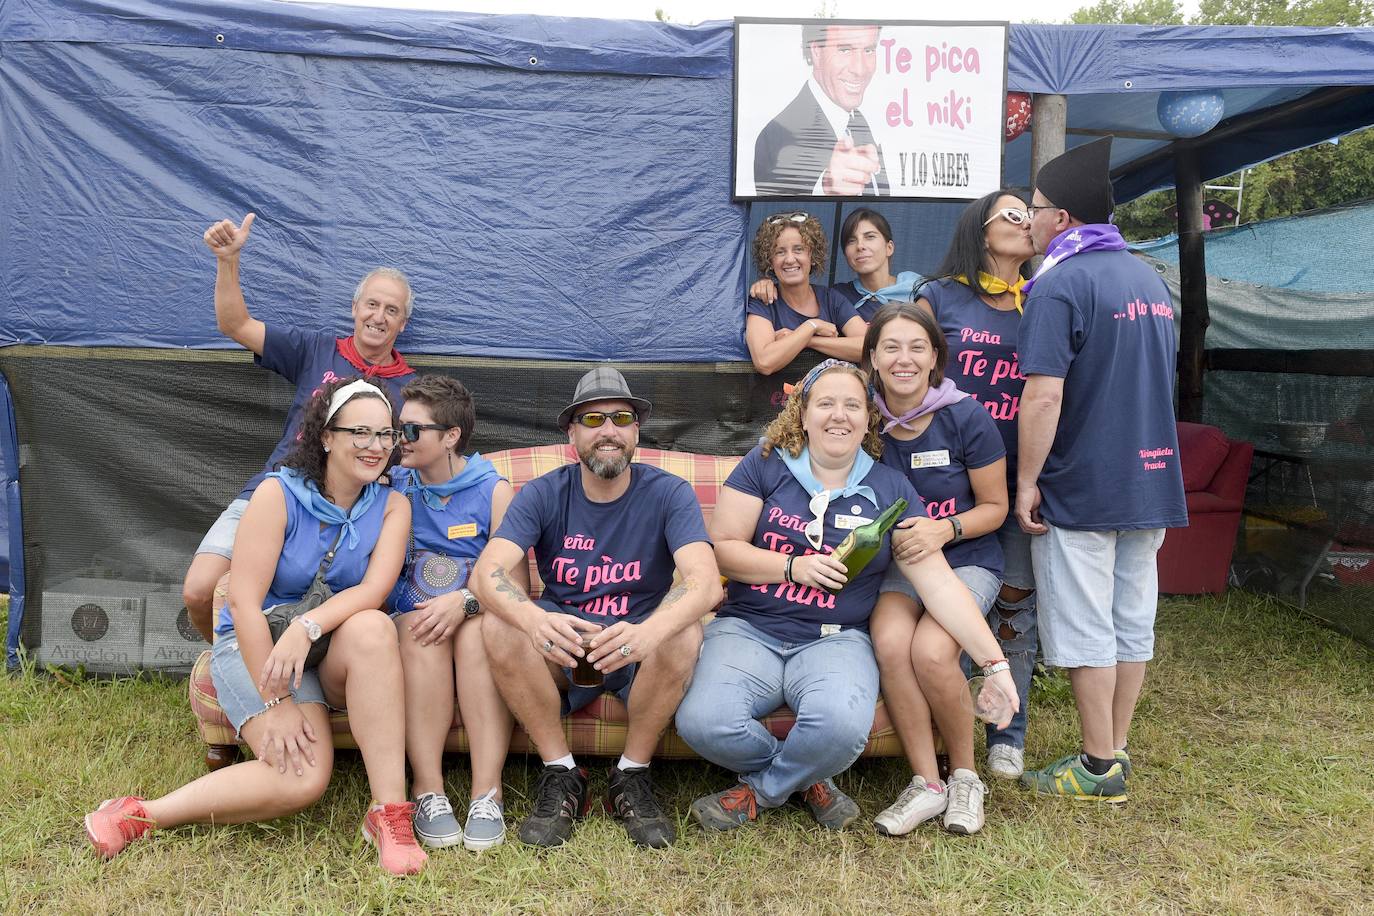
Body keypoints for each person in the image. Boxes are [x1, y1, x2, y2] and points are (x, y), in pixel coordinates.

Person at [86, 378, 426, 875]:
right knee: (303, 781)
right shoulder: (276, 493)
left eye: (386, 435)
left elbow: (372, 591)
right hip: (258, 643)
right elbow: (243, 604)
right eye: (360, 432)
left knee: (374, 626)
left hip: (326, 644)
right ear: (326, 436)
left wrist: (306, 627)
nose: (375, 447)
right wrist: (278, 702)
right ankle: (142, 814)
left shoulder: (393, 504)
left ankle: (389, 814)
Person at [674, 359, 1017, 833]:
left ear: (868, 418)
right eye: (826, 403)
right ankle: (808, 778)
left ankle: (760, 790)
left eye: (853, 404)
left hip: (836, 638)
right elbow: (724, 550)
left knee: (840, 728)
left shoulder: (890, 488)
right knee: (702, 722)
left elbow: (937, 583)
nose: (839, 415)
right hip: (750, 627)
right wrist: (793, 567)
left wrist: (995, 666)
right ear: (803, 413)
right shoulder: (768, 462)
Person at [472, 368, 723, 849]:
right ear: (572, 434)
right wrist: (533, 617)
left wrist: (650, 632)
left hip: (636, 643)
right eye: (593, 418)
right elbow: (487, 574)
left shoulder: (668, 492)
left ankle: (632, 775)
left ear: (635, 432)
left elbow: (705, 582)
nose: (608, 429)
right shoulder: (545, 492)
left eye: (621, 417)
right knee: (500, 627)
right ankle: (562, 772)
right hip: (564, 644)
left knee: (684, 629)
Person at [1016, 137, 1187, 801]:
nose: (1027, 220)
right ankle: (1114, 750)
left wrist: (1028, 481)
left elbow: (1044, 393)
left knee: (1088, 623)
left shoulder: (1060, 283)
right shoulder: (1147, 277)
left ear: (1061, 218)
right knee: (1131, 616)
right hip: (1151, 478)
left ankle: (1094, 768)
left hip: (1086, 482)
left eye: (1033, 209)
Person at [183, 213, 416, 641]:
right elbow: (235, 325)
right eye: (371, 304)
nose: (379, 316)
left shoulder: (411, 390)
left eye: (392, 310)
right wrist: (227, 260)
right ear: (354, 308)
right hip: (276, 492)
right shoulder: (315, 349)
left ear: (403, 324)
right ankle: (234, 662)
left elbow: (419, 457)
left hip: (347, 511)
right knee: (199, 591)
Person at [861, 304, 1009, 836]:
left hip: (967, 558)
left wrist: (944, 530)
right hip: (900, 567)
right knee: (891, 642)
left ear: (935, 358)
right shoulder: (863, 419)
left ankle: (966, 776)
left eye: (916, 347)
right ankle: (927, 782)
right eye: (891, 347)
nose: (904, 359)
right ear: (873, 357)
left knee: (931, 650)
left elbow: (995, 507)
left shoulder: (966, 416)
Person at [916, 189, 1038, 781]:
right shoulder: (938, 297)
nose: (1025, 223)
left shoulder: (1045, 297)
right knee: (948, 607)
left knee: (1014, 602)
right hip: (942, 476)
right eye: (1012, 214)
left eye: (1029, 214)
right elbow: (901, 369)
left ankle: (1008, 733)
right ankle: (950, 721)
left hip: (1025, 478)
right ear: (979, 228)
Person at [386, 374, 518, 851]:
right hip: (410, 612)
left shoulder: (492, 491)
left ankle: (488, 792)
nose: (400, 439)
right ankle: (428, 789)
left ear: (451, 437)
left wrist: (463, 603)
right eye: (399, 428)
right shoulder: (393, 482)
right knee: (422, 633)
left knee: (476, 635)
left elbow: (515, 584)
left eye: (413, 430)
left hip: (474, 610)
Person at [754, 24, 888, 197]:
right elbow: (779, 217)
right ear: (816, 51)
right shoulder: (776, 136)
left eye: (869, 50)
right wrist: (825, 188)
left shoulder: (859, 123)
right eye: (845, 50)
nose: (860, 69)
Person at [745, 212, 868, 375]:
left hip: (827, 398)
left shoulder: (831, 299)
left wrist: (808, 340)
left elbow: (868, 348)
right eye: (780, 252)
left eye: (798, 249)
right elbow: (764, 362)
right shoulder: (763, 301)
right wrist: (812, 326)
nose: (789, 259)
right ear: (769, 260)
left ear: (812, 255)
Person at [749, 208, 923, 322]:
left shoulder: (920, 290)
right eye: (851, 241)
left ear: (889, 247)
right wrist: (765, 282)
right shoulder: (840, 295)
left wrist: (811, 336)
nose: (860, 246)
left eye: (870, 237)